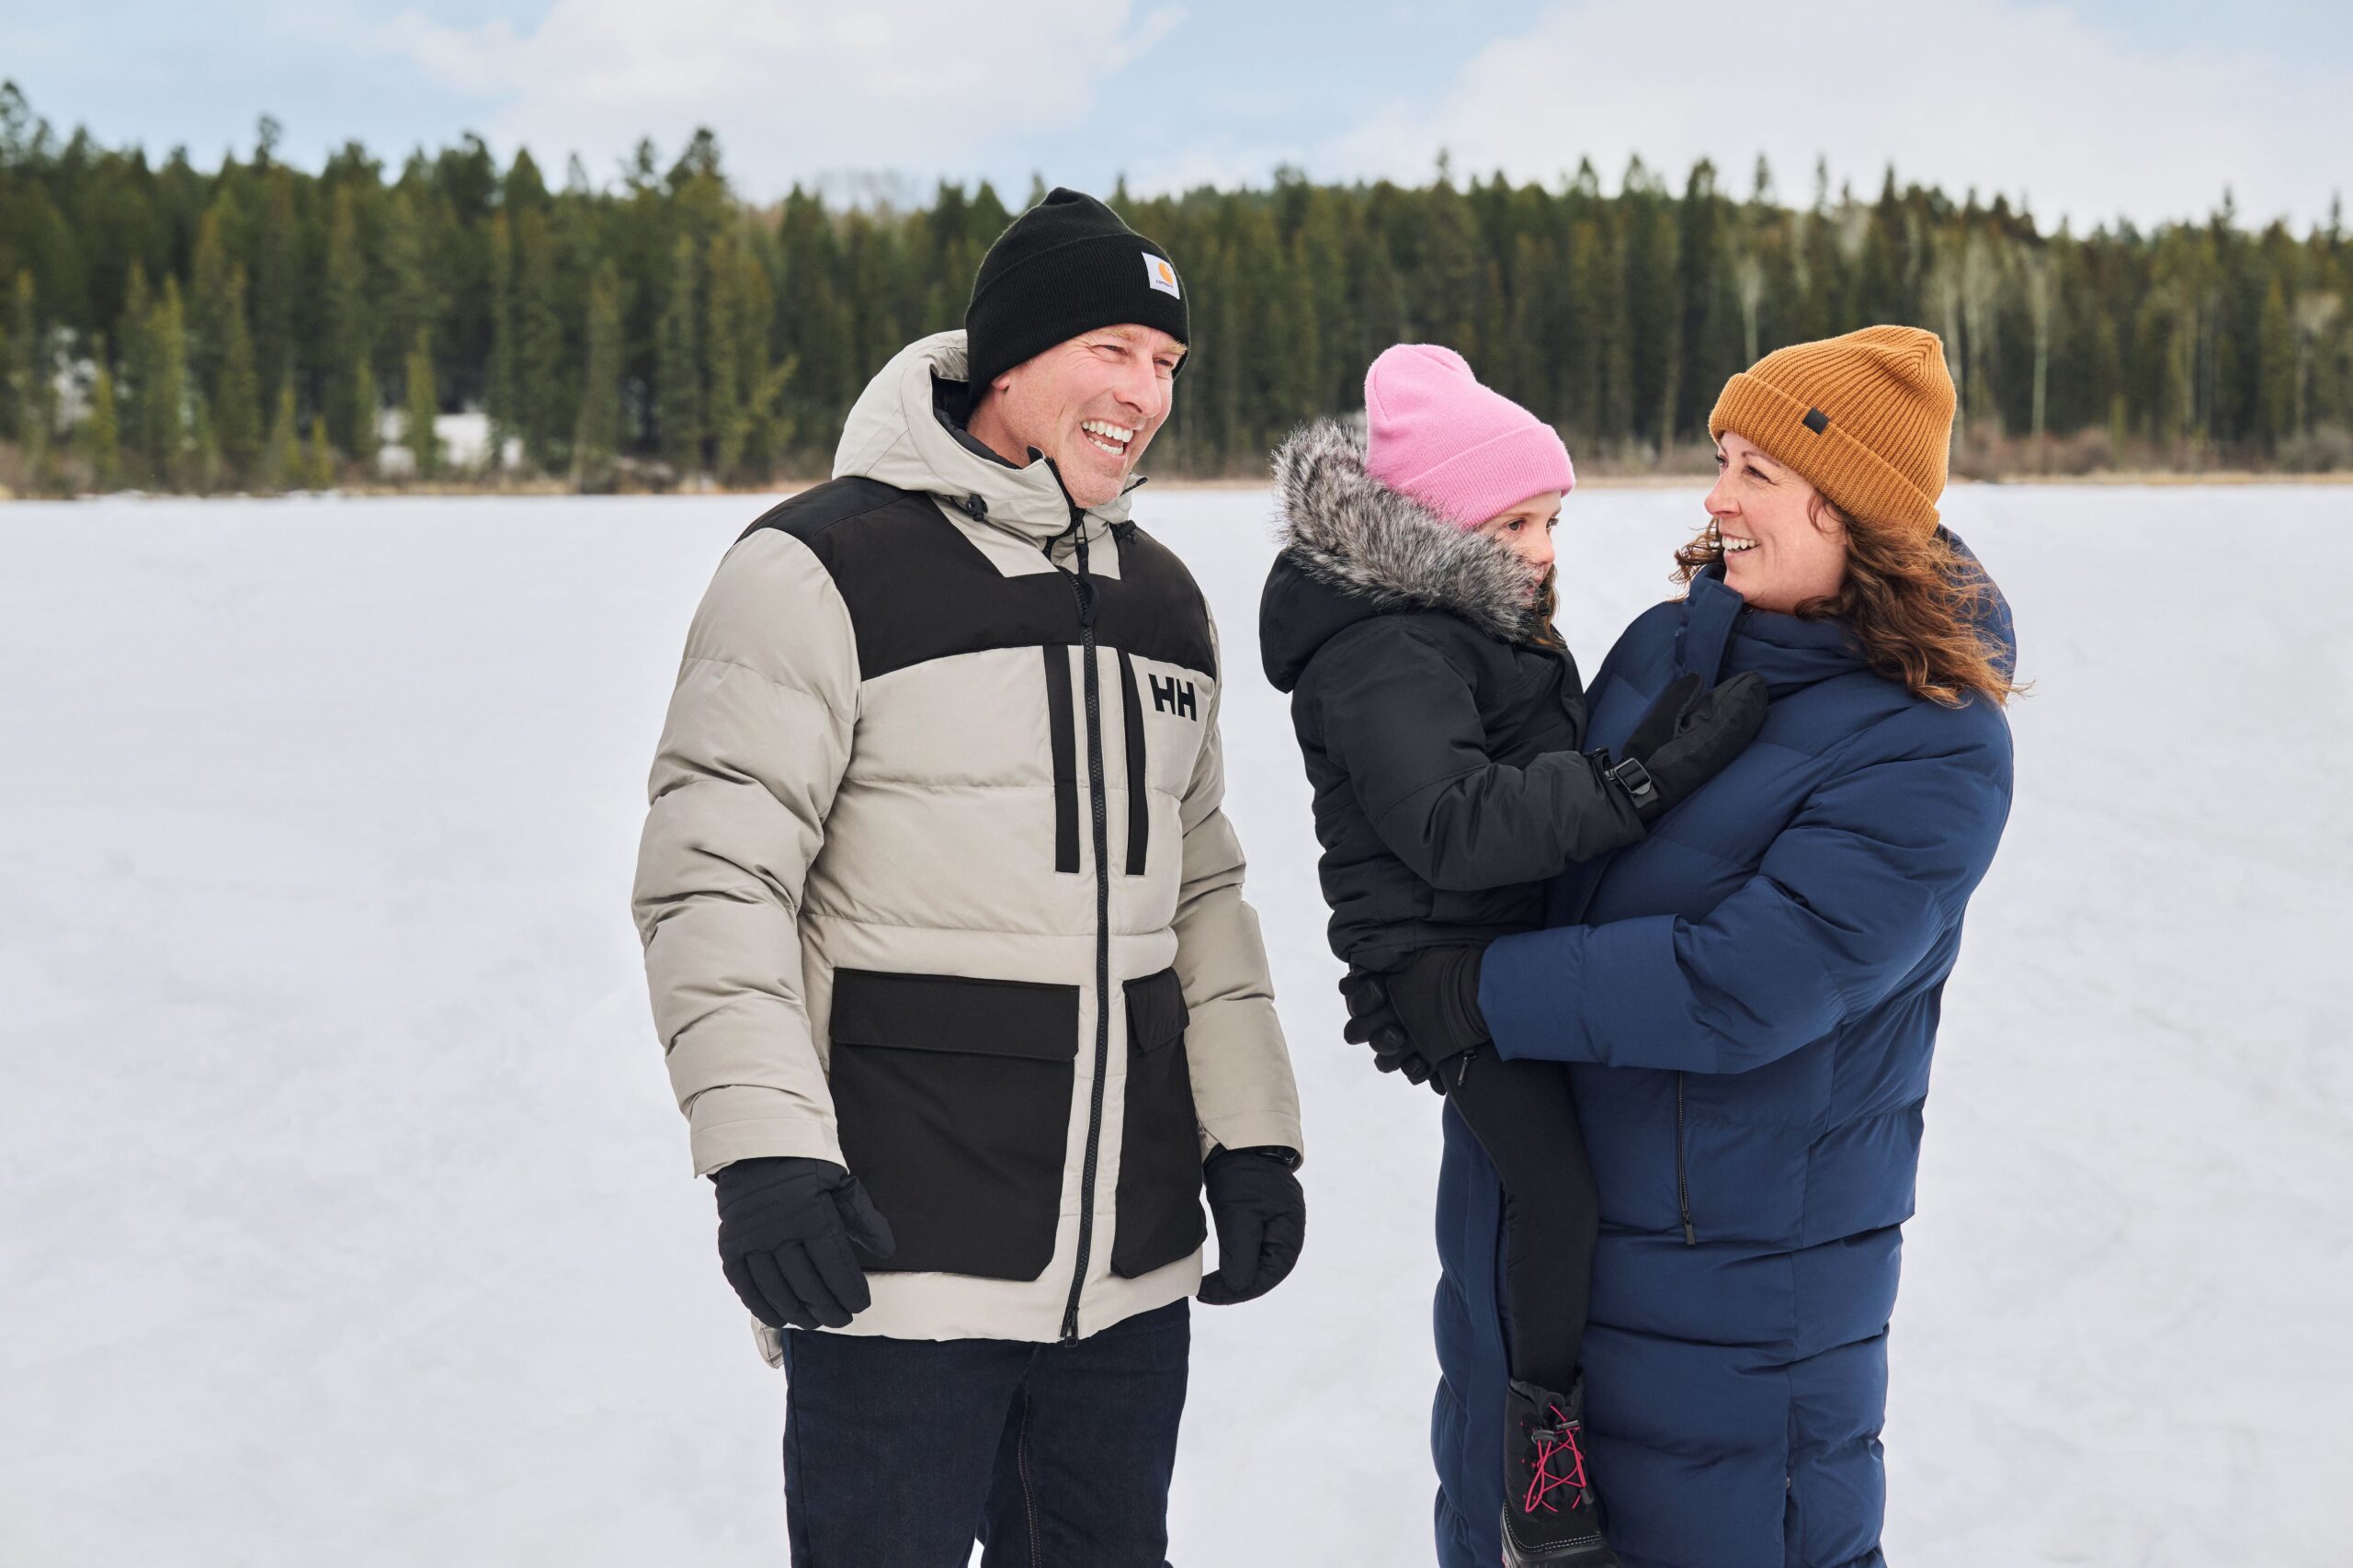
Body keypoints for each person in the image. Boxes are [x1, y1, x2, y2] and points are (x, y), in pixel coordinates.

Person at [630, 187, 1305, 1568]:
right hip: (898, 1257)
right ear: (1011, 357)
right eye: (1113, 347)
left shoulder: (1163, 598)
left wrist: (1252, 1133)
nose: (1146, 391)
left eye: (1167, 363)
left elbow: (1204, 896)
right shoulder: (820, 566)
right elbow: (714, 880)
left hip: (1126, 1273)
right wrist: (762, 1152)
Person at [1347, 325, 2018, 1568]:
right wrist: (1410, 949)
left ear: (1853, 508)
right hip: (1531, 1283)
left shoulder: (1934, 749)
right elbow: (1540, 859)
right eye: (1723, 458)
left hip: (1728, 1337)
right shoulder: (1666, 653)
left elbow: (1737, 984)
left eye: (1755, 470)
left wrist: (1474, 992)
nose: (1714, 498)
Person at [1261, 344, 1766, 1567]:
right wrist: (1642, 778)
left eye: (1553, 520)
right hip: (1438, 969)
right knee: (1558, 1190)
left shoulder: (1464, 618)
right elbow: (1454, 820)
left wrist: (1664, 723)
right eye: (1523, 521)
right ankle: (1544, 1452)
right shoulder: (1388, 646)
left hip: (1496, 939)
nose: (1545, 549)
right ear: (1440, 525)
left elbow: (1540, 762)